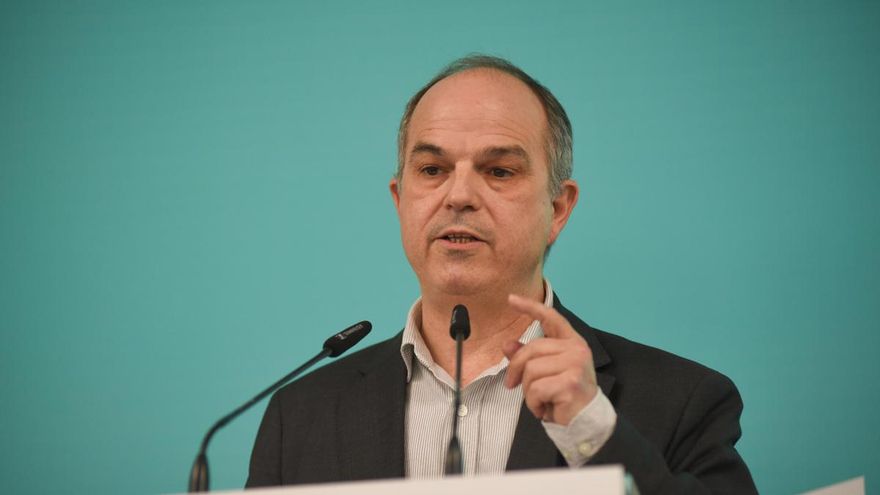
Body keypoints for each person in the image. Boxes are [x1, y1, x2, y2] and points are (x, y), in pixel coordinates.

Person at [246, 55, 757, 494]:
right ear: (401, 201)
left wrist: (592, 430)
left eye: (499, 171)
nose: (459, 195)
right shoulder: (301, 415)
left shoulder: (683, 400)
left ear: (558, 208)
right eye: (431, 170)